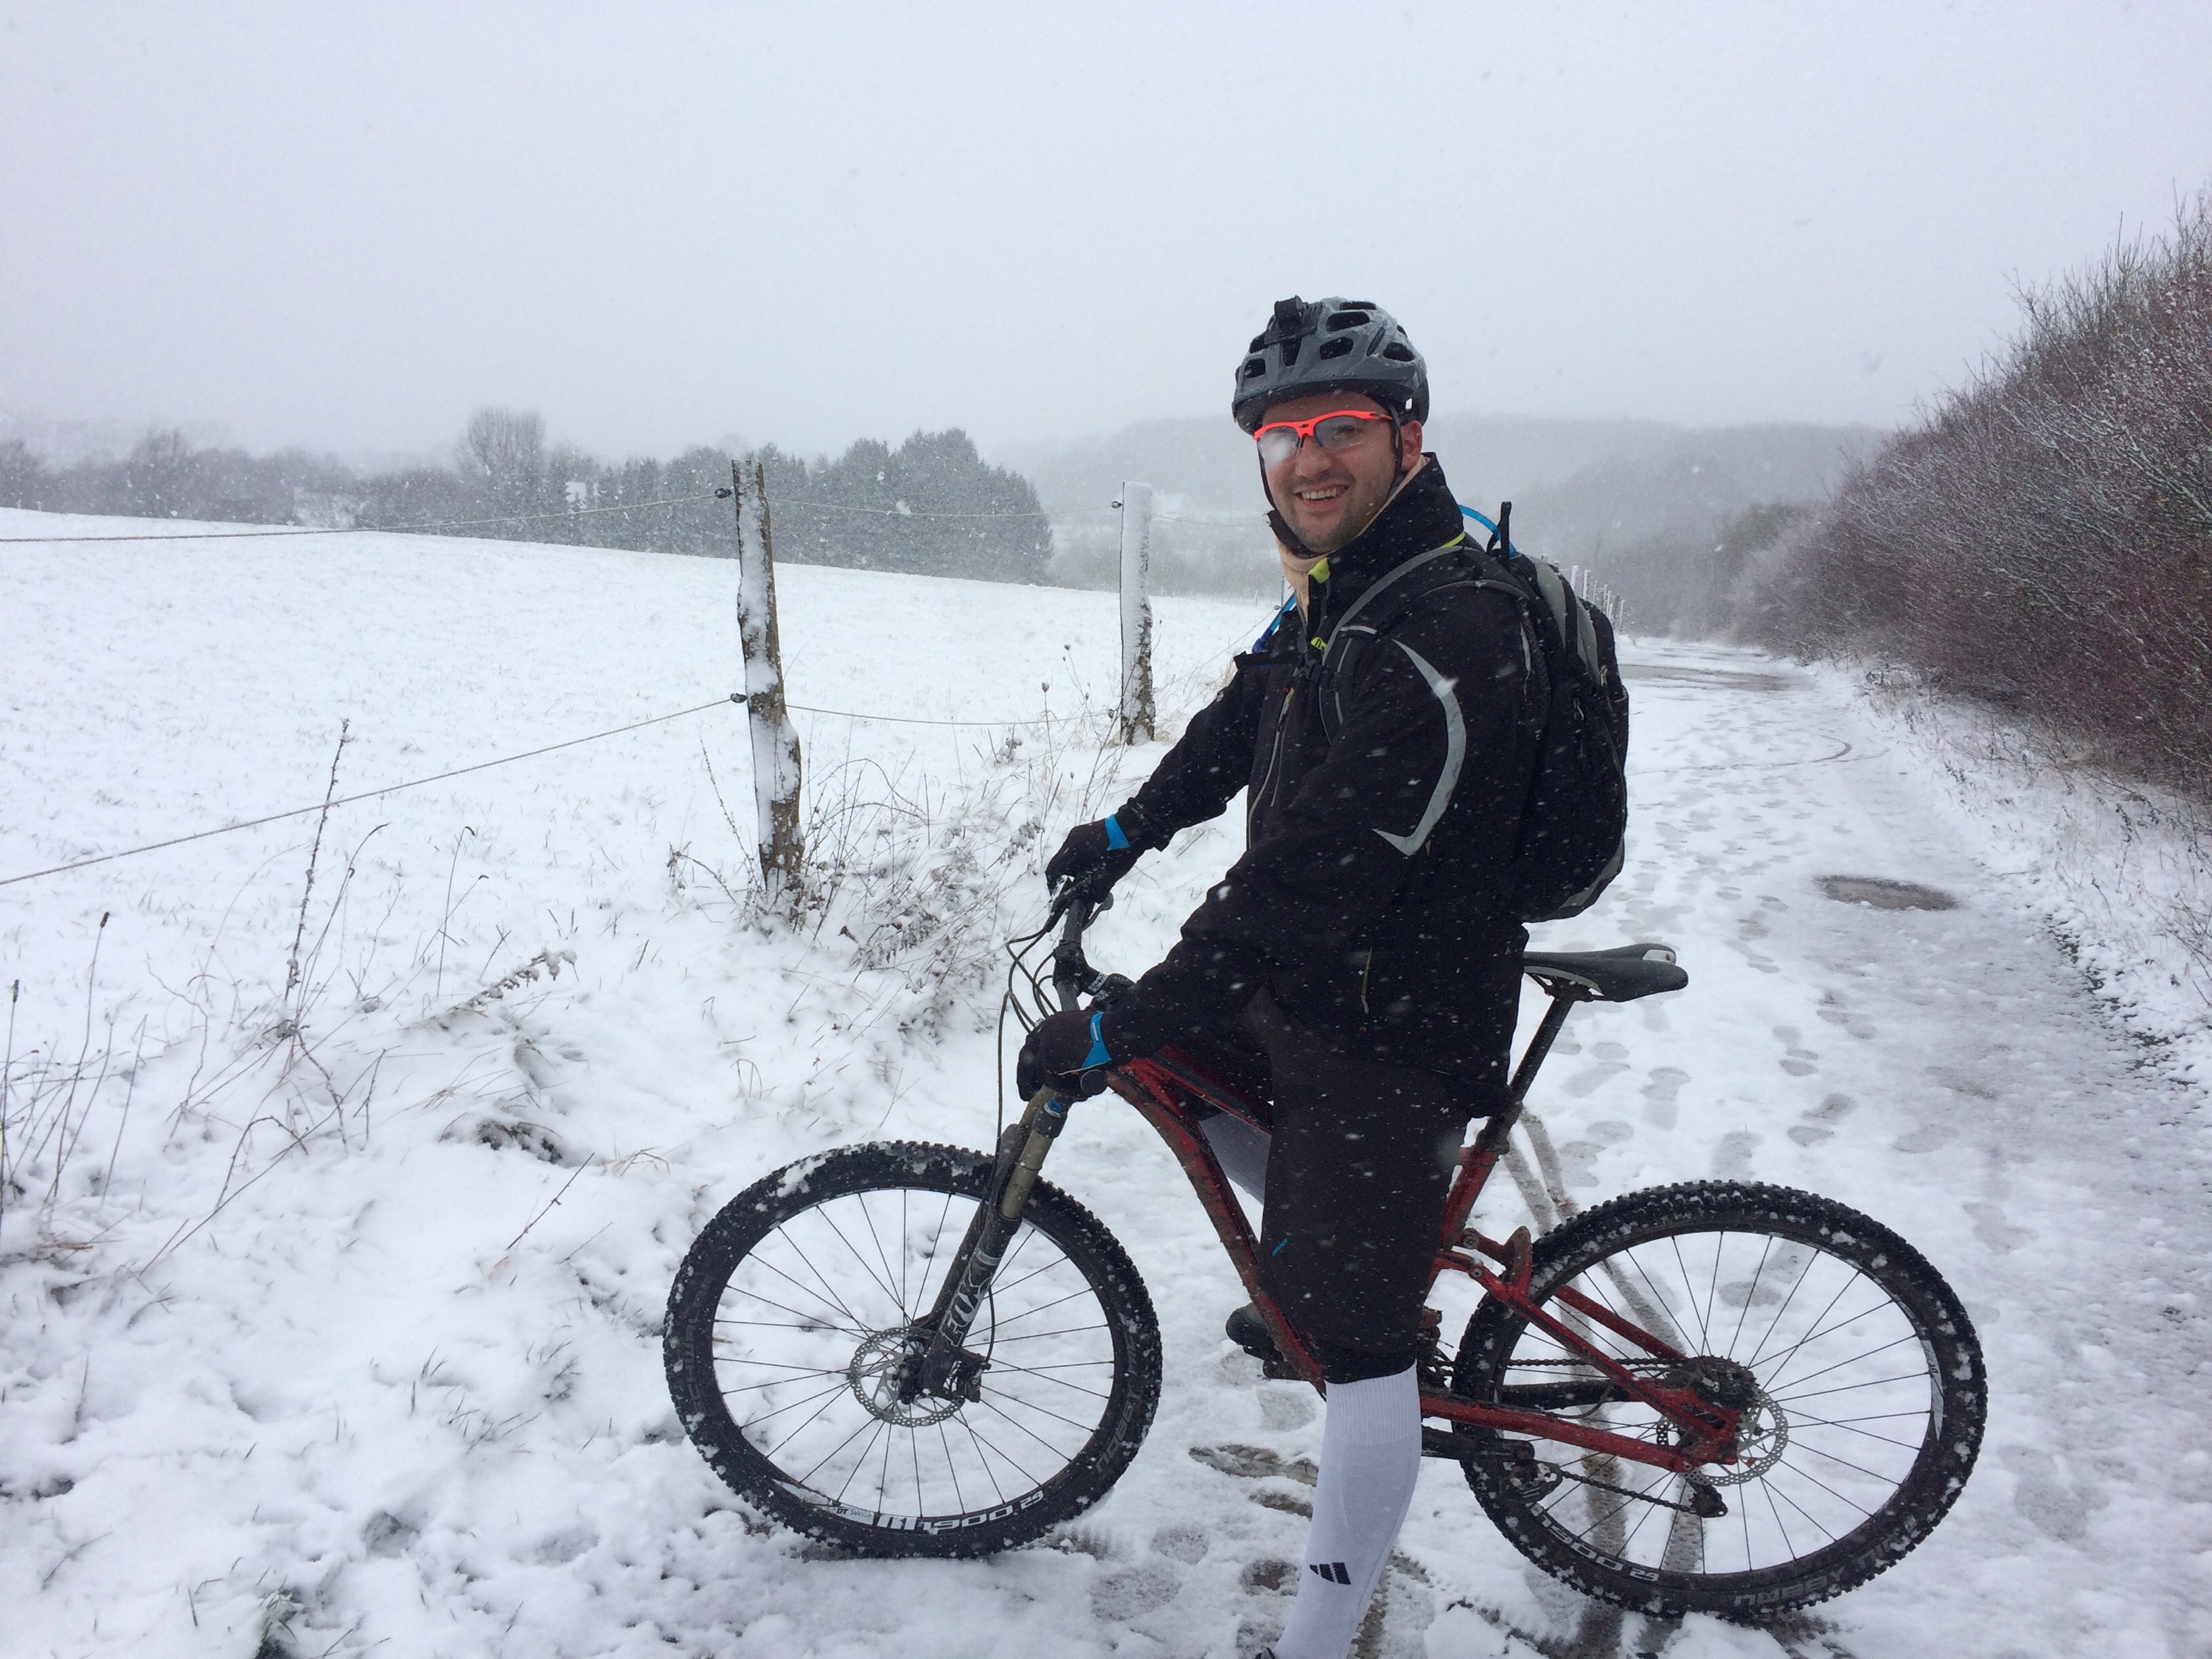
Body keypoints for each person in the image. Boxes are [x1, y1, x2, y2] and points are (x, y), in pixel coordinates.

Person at [1016, 296, 1545, 1659]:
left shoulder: (1446, 629)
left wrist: (1126, 1016)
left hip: (1400, 1026)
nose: (1309, 457)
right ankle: (1342, 1244)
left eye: (1342, 427)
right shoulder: (1345, 584)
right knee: (1198, 1077)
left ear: (1407, 435)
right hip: (1329, 989)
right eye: (1283, 435)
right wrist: (1126, 829)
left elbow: (1298, 883)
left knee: (1355, 1348)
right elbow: (1243, 717)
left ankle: (1318, 1633)